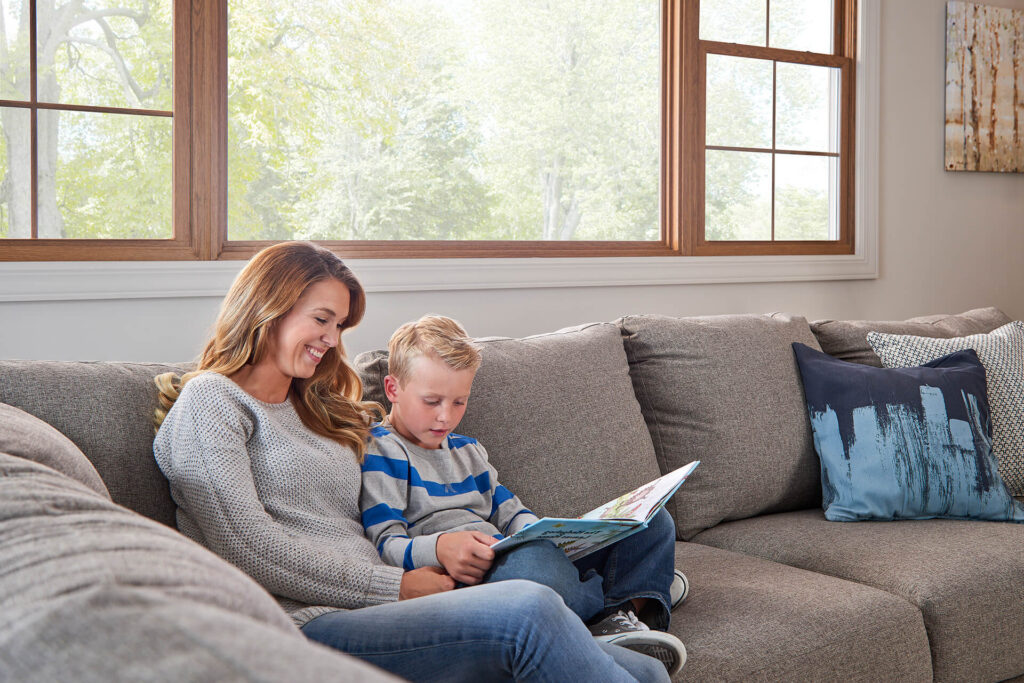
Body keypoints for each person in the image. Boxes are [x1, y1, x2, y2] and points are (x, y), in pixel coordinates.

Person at [151, 241, 670, 683]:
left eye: (339, 324)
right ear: (269, 306)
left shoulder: (315, 408)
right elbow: (247, 547)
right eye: (322, 319)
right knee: (527, 609)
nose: (332, 340)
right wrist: (395, 584)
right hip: (304, 620)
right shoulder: (212, 403)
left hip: (392, 599)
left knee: (646, 671)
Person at [360, 314, 689, 676]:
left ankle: (616, 613)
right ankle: (626, 602)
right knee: (536, 566)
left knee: (653, 521)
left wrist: (543, 530)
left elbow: (510, 510)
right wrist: (439, 548)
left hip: (512, 551)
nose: (445, 417)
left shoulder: (468, 450)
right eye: (432, 401)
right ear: (392, 389)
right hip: (476, 578)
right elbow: (384, 542)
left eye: (458, 402)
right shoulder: (381, 451)